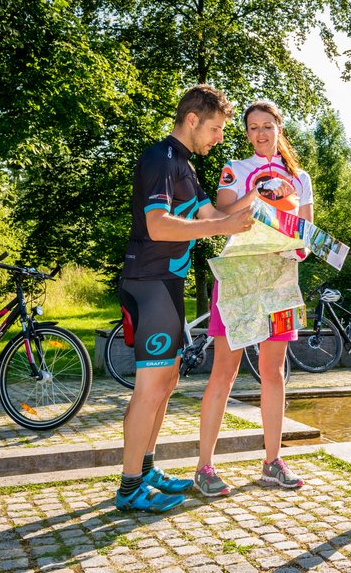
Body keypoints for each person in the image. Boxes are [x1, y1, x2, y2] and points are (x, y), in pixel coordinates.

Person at [115, 85, 255, 513]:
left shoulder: (186, 167)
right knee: (150, 386)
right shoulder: (160, 158)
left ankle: (147, 466)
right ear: (191, 120)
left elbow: (211, 215)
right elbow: (158, 226)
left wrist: (259, 199)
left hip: (167, 285)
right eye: (214, 128)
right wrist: (219, 229)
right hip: (149, 280)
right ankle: (129, 487)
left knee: (168, 381)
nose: (218, 137)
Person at [193, 100, 313, 496]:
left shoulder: (300, 177)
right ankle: (205, 466)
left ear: (279, 127)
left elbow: (307, 236)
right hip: (239, 280)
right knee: (224, 372)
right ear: (246, 134)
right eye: (252, 128)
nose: (260, 134)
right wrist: (258, 193)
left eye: (267, 126)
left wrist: (298, 247)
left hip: (279, 282)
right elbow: (220, 217)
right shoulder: (235, 170)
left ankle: (272, 461)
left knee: (273, 372)